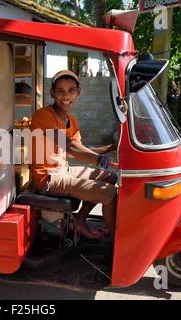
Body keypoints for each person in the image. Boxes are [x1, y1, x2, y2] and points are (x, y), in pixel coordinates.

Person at [30, 70, 118, 239]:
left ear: (78, 92)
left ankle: (79, 220)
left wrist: (112, 147)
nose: (66, 95)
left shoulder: (72, 120)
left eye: (71, 90)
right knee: (109, 193)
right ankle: (116, 242)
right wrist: (104, 160)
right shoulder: (43, 116)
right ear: (52, 93)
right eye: (60, 91)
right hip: (47, 178)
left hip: (63, 170)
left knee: (110, 177)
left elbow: (80, 150)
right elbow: (70, 148)